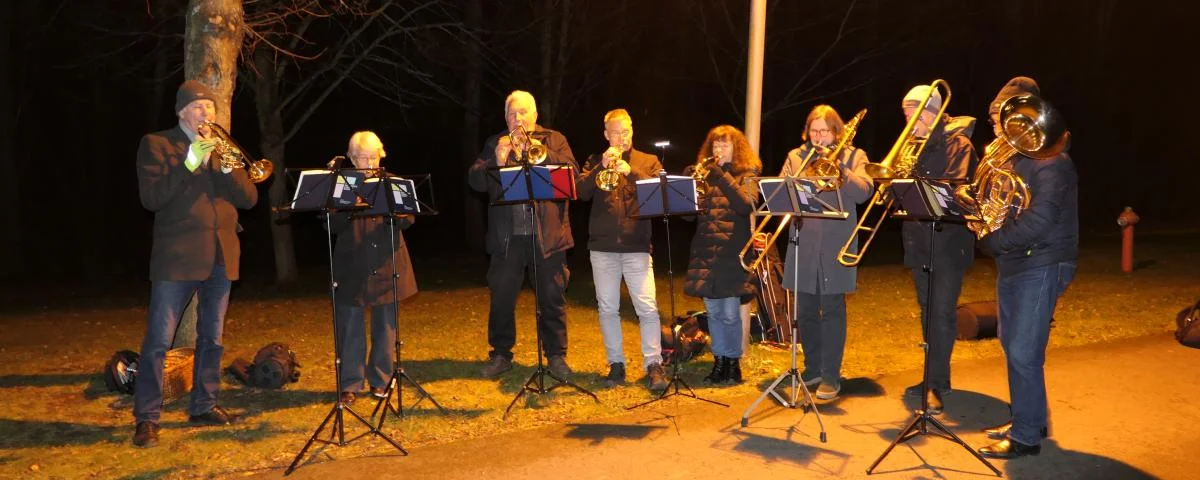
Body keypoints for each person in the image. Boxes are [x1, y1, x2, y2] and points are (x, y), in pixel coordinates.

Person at [132, 80, 258, 448]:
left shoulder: (224, 150)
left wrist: (223, 169)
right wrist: (190, 163)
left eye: (212, 108)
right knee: (159, 341)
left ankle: (204, 404)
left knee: (213, 339)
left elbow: (249, 197)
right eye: (201, 107)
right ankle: (147, 418)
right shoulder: (157, 144)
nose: (208, 114)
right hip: (177, 258)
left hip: (221, 255)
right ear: (182, 111)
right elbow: (151, 198)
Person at [975, 76, 1077, 459]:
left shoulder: (1053, 163)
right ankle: (1029, 418)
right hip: (1016, 262)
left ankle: (1026, 437)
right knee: (1012, 345)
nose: (998, 128)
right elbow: (999, 207)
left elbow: (1039, 221)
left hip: (1043, 262)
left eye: (1004, 119)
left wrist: (993, 241)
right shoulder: (1014, 161)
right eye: (995, 120)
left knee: (1023, 350)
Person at [467, 90, 579, 380]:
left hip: (549, 237)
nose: (518, 118)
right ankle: (501, 355)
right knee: (502, 298)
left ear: (535, 115)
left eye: (523, 112)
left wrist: (541, 154)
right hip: (508, 239)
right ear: (505, 117)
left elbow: (573, 173)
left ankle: (556, 356)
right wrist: (497, 157)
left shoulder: (554, 139)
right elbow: (475, 180)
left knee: (552, 298)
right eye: (512, 114)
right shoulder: (495, 142)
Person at [779, 105, 874, 400]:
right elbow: (781, 192)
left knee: (832, 309)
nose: (819, 137)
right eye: (814, 130)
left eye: (825, 131)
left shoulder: (855, 156)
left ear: (836, 132)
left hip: (837, 243)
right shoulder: (796, 156)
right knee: (805, 310)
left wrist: (841, 170)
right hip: (803, 242)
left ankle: (832, 375)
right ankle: (813, 368)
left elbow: (864, 191)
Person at [897, 83, 979, 414]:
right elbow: (900, 195)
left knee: (942, 312)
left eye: (912, 116)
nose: (908, 124)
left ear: (931, 112)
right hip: (918, 239)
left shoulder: (959, 145)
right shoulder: (909, 148)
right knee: (927, 308)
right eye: (905, 117)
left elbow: (957, 192)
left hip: (948, 242)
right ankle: (931, 375)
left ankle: (936, 383)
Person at [575, 108, 667, 391]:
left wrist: (633, 173)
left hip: (636, 246)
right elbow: (580, 192)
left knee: (647, 307)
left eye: (625, 131)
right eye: (615, 132)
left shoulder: (647, 161)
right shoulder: (594, 160)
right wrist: (601, 167)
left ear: (632, 131)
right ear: (606, 134)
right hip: (602, 247)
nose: (621, 137)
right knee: (607, 309)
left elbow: (661, 196)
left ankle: (654, 363)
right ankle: (616, 364)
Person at [329, 131, 419, 406]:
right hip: (351, 262)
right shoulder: (342, 184)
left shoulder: (393, 182)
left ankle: (381, 380)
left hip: (387, 262)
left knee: (386, 326)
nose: (368, 163)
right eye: (362, 157)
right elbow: (330, 225)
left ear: (382, 155)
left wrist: (399, 212)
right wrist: (345, 206)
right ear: (352, 158)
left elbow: (408, 220)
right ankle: (350, 385)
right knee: (350, 325)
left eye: (373, 156)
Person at [683, 125, 761, 385]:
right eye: (715, 145)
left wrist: (722, 177)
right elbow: (686, 215)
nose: (718, 150)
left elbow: (746, 204)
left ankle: (732, 363)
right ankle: (719, 361)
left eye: (724, 145)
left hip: (731, 253)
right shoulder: (706, 176)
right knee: (713, 313)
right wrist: (687, 187)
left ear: (735, 149)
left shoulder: (746, 174)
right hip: (706, 252)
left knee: (729, 313)